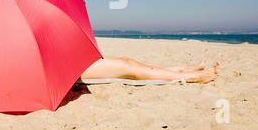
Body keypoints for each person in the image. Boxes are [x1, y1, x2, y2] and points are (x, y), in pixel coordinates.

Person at [81, 56, 220, 84]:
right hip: (68, 71)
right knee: (129, 66)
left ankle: (182, 69)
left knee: (129, 62)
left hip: (67, 59)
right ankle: (193, 77)